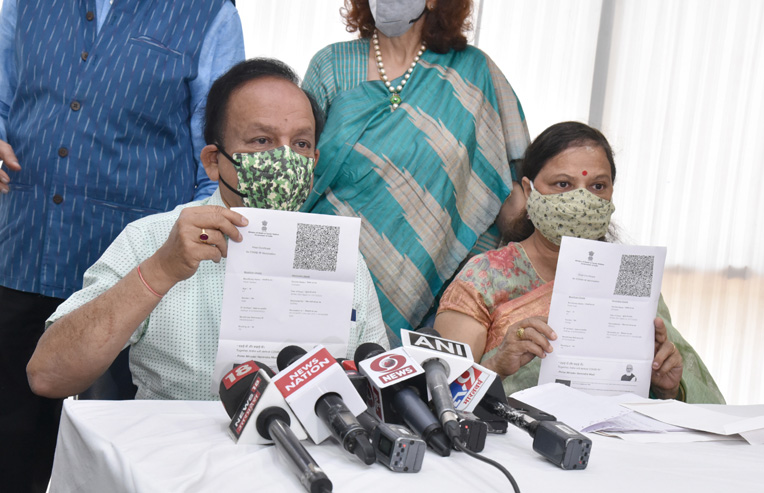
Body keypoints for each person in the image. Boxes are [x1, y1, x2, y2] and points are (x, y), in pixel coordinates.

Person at [27, 58, 389, 403]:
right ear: (214, 161)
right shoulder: (153, 239)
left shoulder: (337, 255)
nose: (285, 159)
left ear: (313, 162)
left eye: (301, 144)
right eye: (261, 141)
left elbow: (377, 388)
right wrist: (160, 271)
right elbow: (46, 375)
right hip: (176, 445)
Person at [0, 1, 245, 490]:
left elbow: (216, 154)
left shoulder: (209, 13)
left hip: (136, 285)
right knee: (11, 441)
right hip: (23, 255)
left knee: (114, 453)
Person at [434, 122, 725, 404]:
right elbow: (438, 397)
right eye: (563, 184)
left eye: (598, 185)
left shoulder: (631, 273)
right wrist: (497, 365)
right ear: (530, 190)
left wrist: (668, 389)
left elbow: (662, 398)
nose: (582, 199)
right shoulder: (485, 276)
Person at [301, 0, 529, 341]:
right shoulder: (331, 64)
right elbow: (294, 160)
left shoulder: (473, 72)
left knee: (396, 371)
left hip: (425, 282)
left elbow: (512, 179)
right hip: (324, 264)